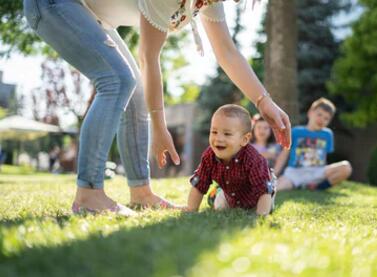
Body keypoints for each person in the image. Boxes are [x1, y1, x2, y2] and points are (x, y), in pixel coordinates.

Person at [23, 0, 290, 215]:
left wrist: (263, 101)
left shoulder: (210, 1)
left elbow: (227, 53)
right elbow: (148, 58)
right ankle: (89, 194)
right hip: (54, 5)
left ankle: (141, 193)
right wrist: (159, 128)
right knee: (117, 80)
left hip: (92, 15)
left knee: (135, 90)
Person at [186, 104, 276, 216]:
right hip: (231, 195)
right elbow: (199, 184)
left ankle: (263, 206)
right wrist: (191, 210)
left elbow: (263, 190)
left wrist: (261, 216)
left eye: (227, 134)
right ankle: (215, 195)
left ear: (244, 139)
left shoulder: (254, 159)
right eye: (214, 132)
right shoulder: (209, 156)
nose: (218, 139)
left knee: (265, 207)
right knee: (220, 208)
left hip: (258, 196)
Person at [274, 98, 352, 191]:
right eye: (319, 114)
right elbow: (284, 154)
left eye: (326, 118)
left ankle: (317, 187)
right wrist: (274, 174)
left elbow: (324, 157)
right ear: (310, 113)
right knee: (276, 187)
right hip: (295, 172)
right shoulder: (296, 131)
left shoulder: (327, 134)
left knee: (346, 167)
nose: (321, 119)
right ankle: (299, 184)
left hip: (317, 172)